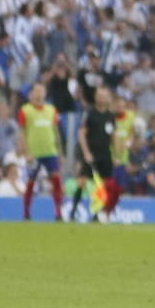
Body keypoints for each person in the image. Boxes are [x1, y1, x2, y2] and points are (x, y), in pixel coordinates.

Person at [16, 82, 64, 221]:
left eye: (41, 91)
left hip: (50, 151)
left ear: (45, 93)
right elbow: (22, 132)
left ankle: (58, 211)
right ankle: (26, 211)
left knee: (56, 180)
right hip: (34, 153)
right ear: (31, 94)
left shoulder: (51, 110)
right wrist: (26, 152)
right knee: (31, 182)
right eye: (36, 91)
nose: (39, 93)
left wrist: (60, 153)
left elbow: (55, 132)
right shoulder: (25, 110)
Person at [75, 85, 119, 222]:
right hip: (91, 154)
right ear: (95, 97)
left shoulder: (110, 116)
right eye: (99, 95)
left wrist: (116, 155)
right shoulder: (89, 113)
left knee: (103, 186)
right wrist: (86, 152)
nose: (101, 98)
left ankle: (97, 213)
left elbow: (113, 136)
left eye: (104, 95)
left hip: (105, 154)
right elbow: (81, 133)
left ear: (107, 98)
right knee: (82, 182)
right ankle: (73, 210)